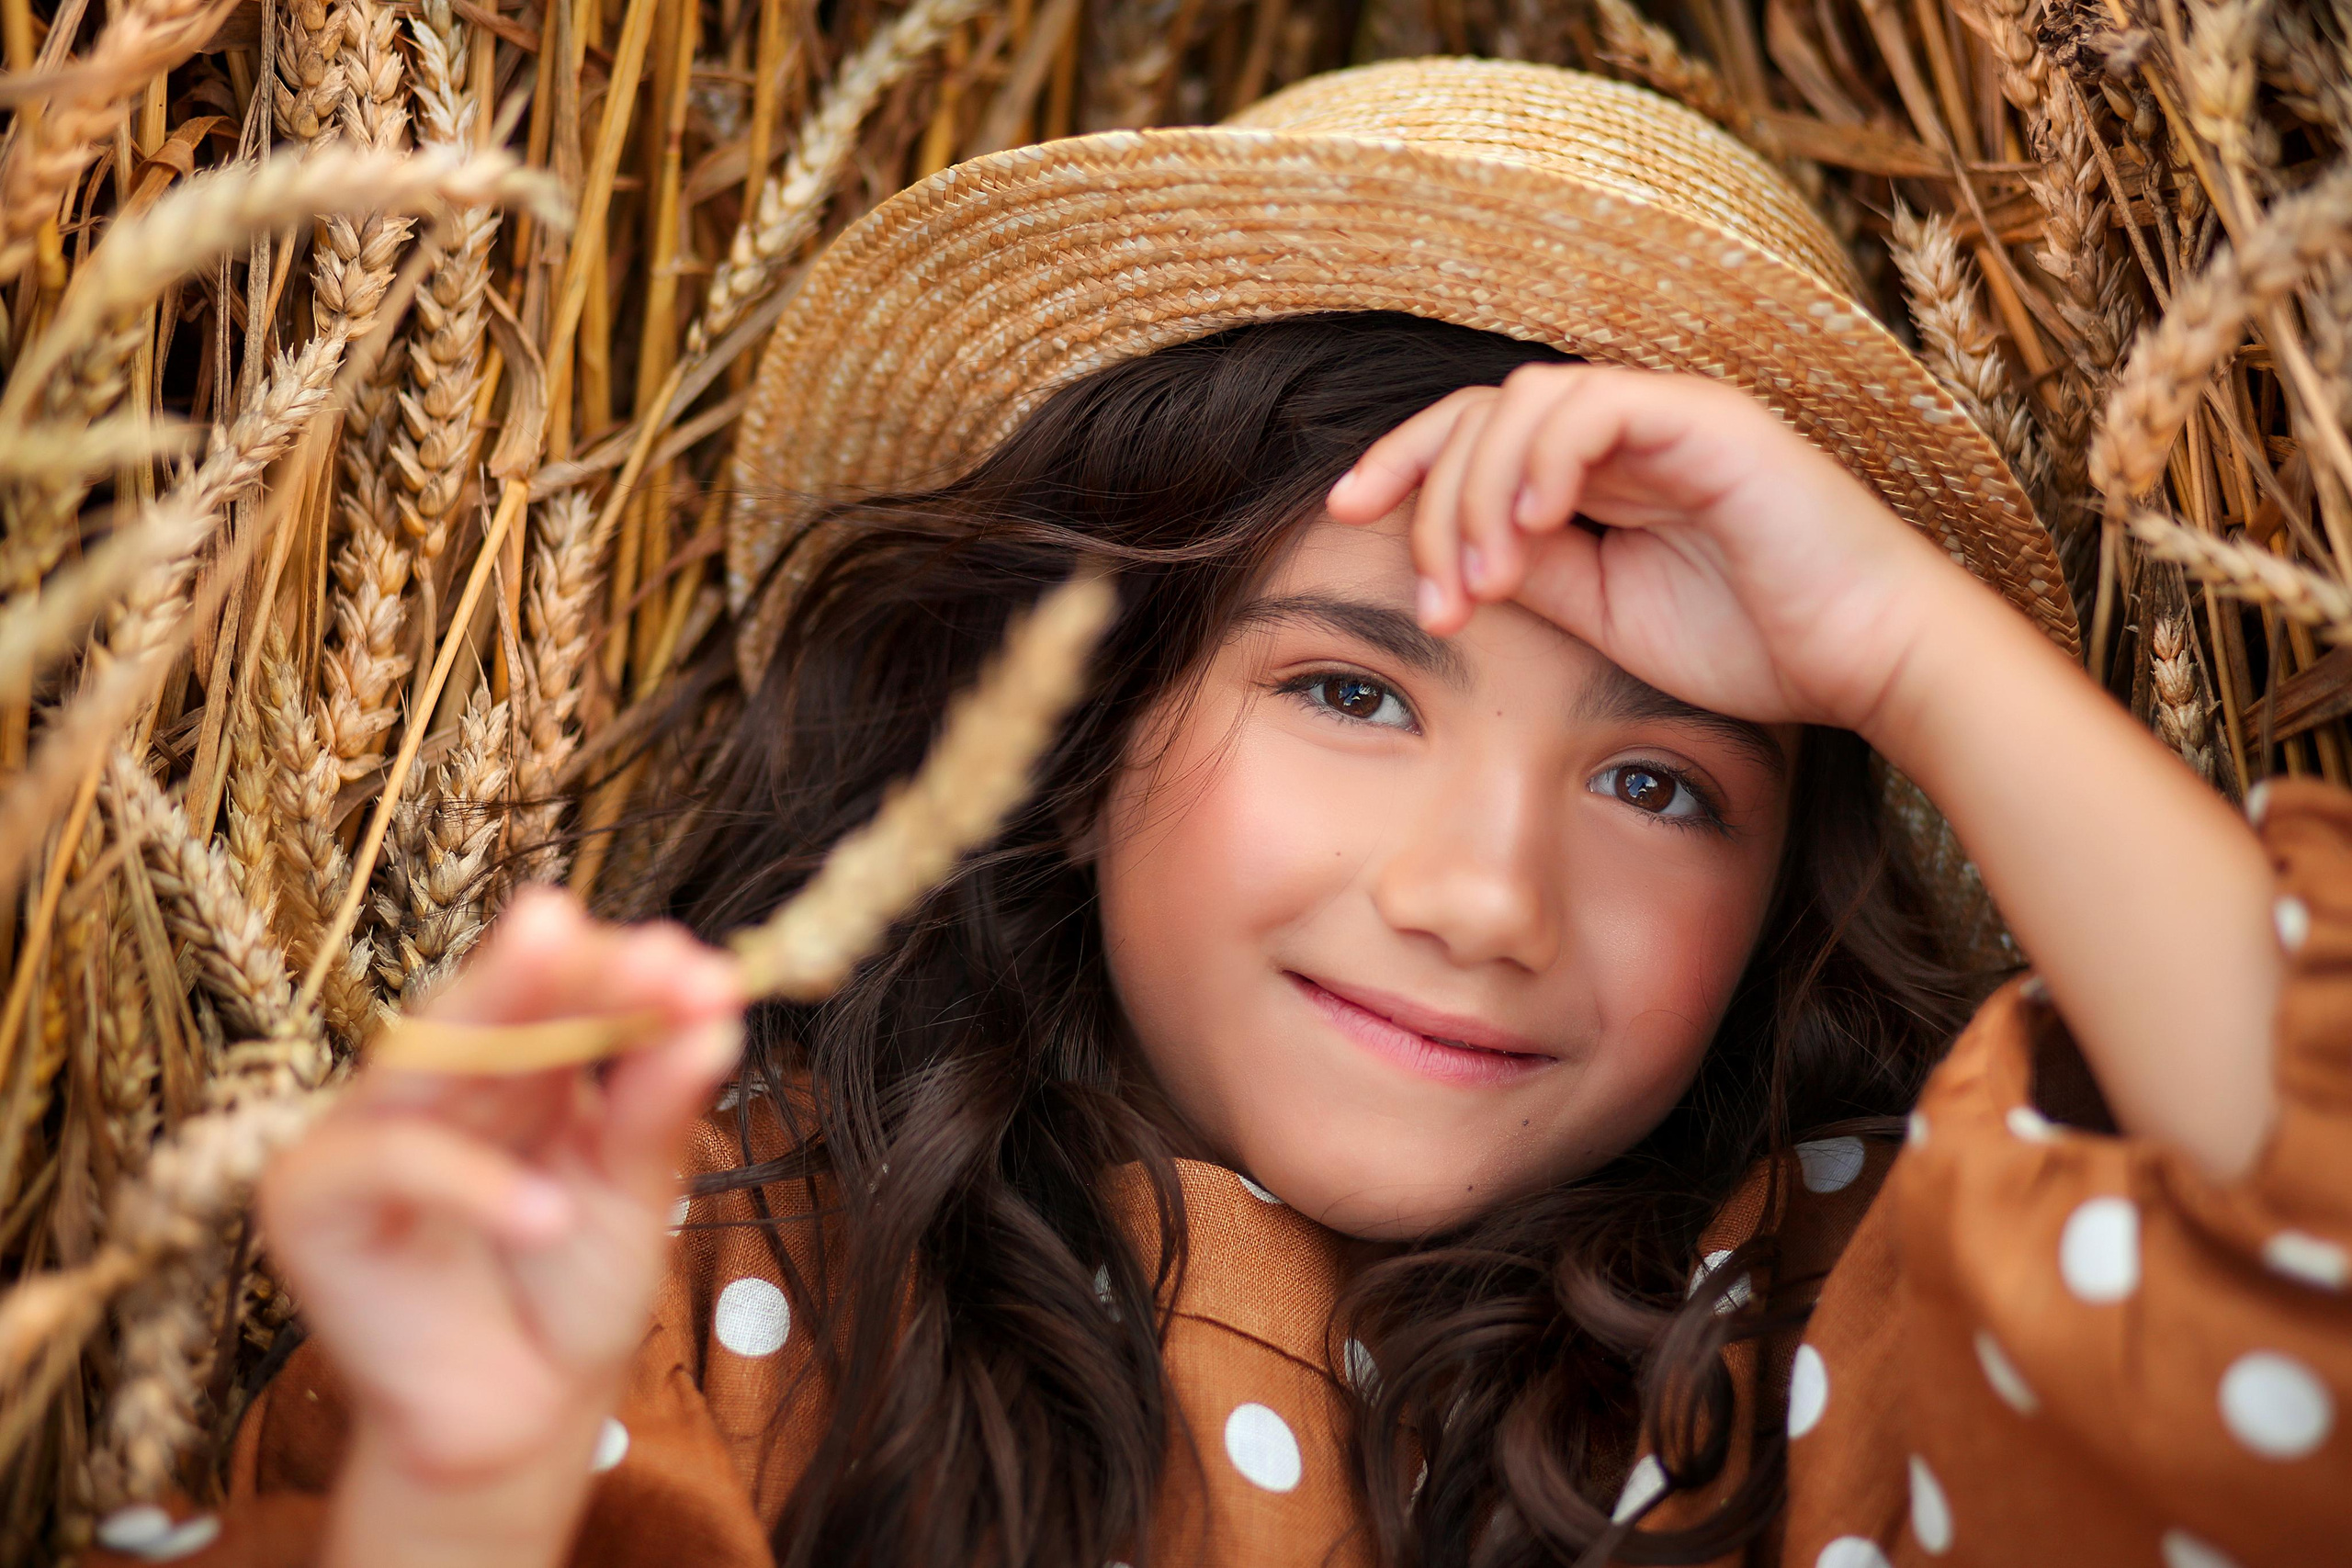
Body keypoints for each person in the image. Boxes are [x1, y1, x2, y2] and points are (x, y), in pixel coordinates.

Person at [98, 59, 2346, 1568]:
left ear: (1780, 899)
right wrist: (455, 1478)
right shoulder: (715, 1281)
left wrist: (1898, 640)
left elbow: (2308, 1232)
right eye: (1352, 685)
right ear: (1067, 743)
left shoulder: (1815, 1325)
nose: (1479, 892)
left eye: (1660, 776)